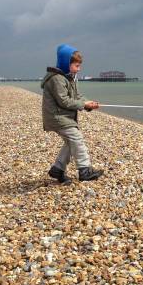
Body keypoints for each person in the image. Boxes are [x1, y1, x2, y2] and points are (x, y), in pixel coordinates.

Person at [41, 44, 104, 184]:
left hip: (63, 117)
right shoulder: (57, 79)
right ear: (65, 63)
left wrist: (88, 103)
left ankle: (57, 169)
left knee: (71, 142)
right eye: (76, 65)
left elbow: (76, 96)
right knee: (77, 139)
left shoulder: (68, 77)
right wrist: (83, 105)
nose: (79, 69)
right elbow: (64, 101)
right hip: (57, 117)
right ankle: (85, 170)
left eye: (79, 65)